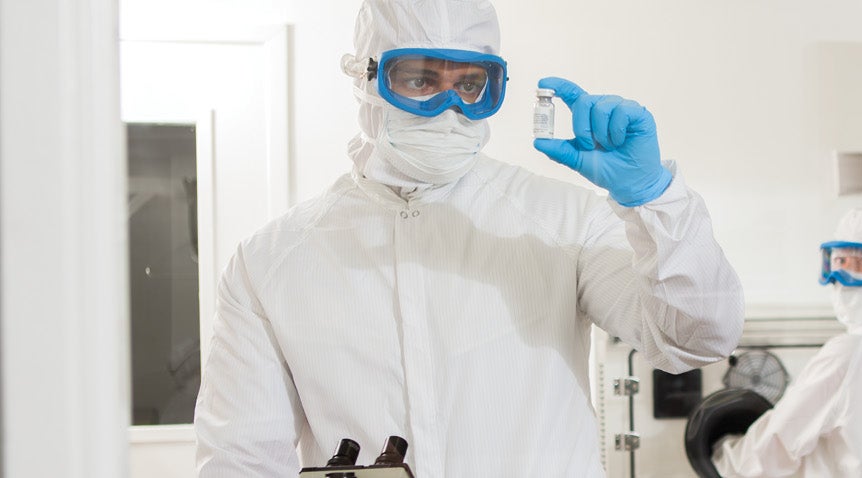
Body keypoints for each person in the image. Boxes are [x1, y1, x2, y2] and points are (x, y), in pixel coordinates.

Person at [193, 0, 745, 476]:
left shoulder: (562, 220)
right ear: (367, 78)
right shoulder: (271, 263)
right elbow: (239, 460)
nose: (449, 105)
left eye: (470, 85)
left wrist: (654, 199)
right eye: (420, 80)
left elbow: (694, 341)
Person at [710, 205, 862, 477]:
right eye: (839, 261)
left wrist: (720, 452)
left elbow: (771, 451)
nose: (842, 280)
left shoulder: (851, 354)